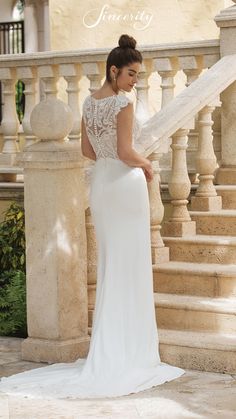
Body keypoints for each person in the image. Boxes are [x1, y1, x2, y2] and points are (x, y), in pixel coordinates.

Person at [0, 34, 185, 400]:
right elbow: (126, 151)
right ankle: (131, 351)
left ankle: (111, 347)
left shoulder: (88, 103)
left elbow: (88, 150)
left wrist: (116, 160)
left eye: (137, 74)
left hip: (102, 185)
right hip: (124, 185)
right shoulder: (121, 104)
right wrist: (146, 163)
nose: (135, 80)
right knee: (129, 266)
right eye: (131, 74)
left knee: (111, 265)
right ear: (113, 71)